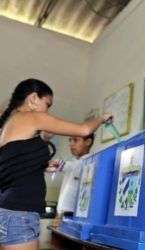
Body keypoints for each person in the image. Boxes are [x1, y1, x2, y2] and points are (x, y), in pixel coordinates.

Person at [0, 79, 111, 250]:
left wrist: (42, 156)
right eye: (47, 104)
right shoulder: (32, 117)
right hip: (19, 213)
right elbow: (84, 130)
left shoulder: (10, 124)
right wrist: (102, 118)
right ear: (33, 99)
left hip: (9, 209)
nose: (47, 110)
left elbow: (16, 165)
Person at [53, 134, 95, 220]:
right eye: (70, 140)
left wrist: (57, 164)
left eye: (75, 140)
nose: (71, 144)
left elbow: (72, 166)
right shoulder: (74, 161)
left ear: (88, 142)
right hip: (61, 214)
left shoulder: (91, 163)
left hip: (74, 215)